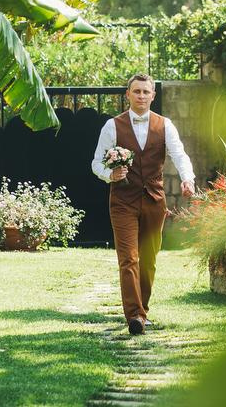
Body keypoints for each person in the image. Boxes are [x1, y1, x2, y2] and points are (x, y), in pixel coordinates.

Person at [91, 74, 195, 335]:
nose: (140, 96)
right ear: (128, 94)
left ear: (152, 96)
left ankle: (142, 311)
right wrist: (110, 174)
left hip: (154, 200)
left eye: (145, 92)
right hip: (123, 202)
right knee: (128, 258)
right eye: (136, 91)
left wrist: (188, 179)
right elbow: (96, 163)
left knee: (148, 260)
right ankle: (134, 316)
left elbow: (179, 154)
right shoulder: (112, 126)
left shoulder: (165, 125)